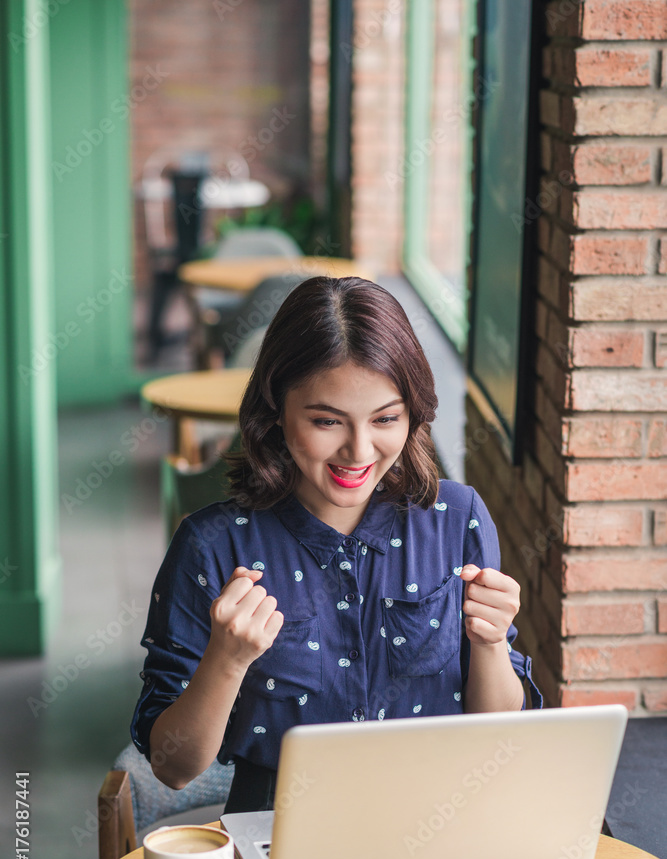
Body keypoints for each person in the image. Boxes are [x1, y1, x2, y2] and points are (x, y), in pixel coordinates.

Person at [131, 276, 542, 812]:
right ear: (277, 408)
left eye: (385, 419)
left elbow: (496, 729)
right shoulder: (211, 546)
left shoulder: (457, 518)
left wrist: (489, 645)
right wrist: (226, 662)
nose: (359, 450)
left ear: (412, 414)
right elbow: (172, 766)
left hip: (441, 819)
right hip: (280, 830)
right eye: (327, 421)